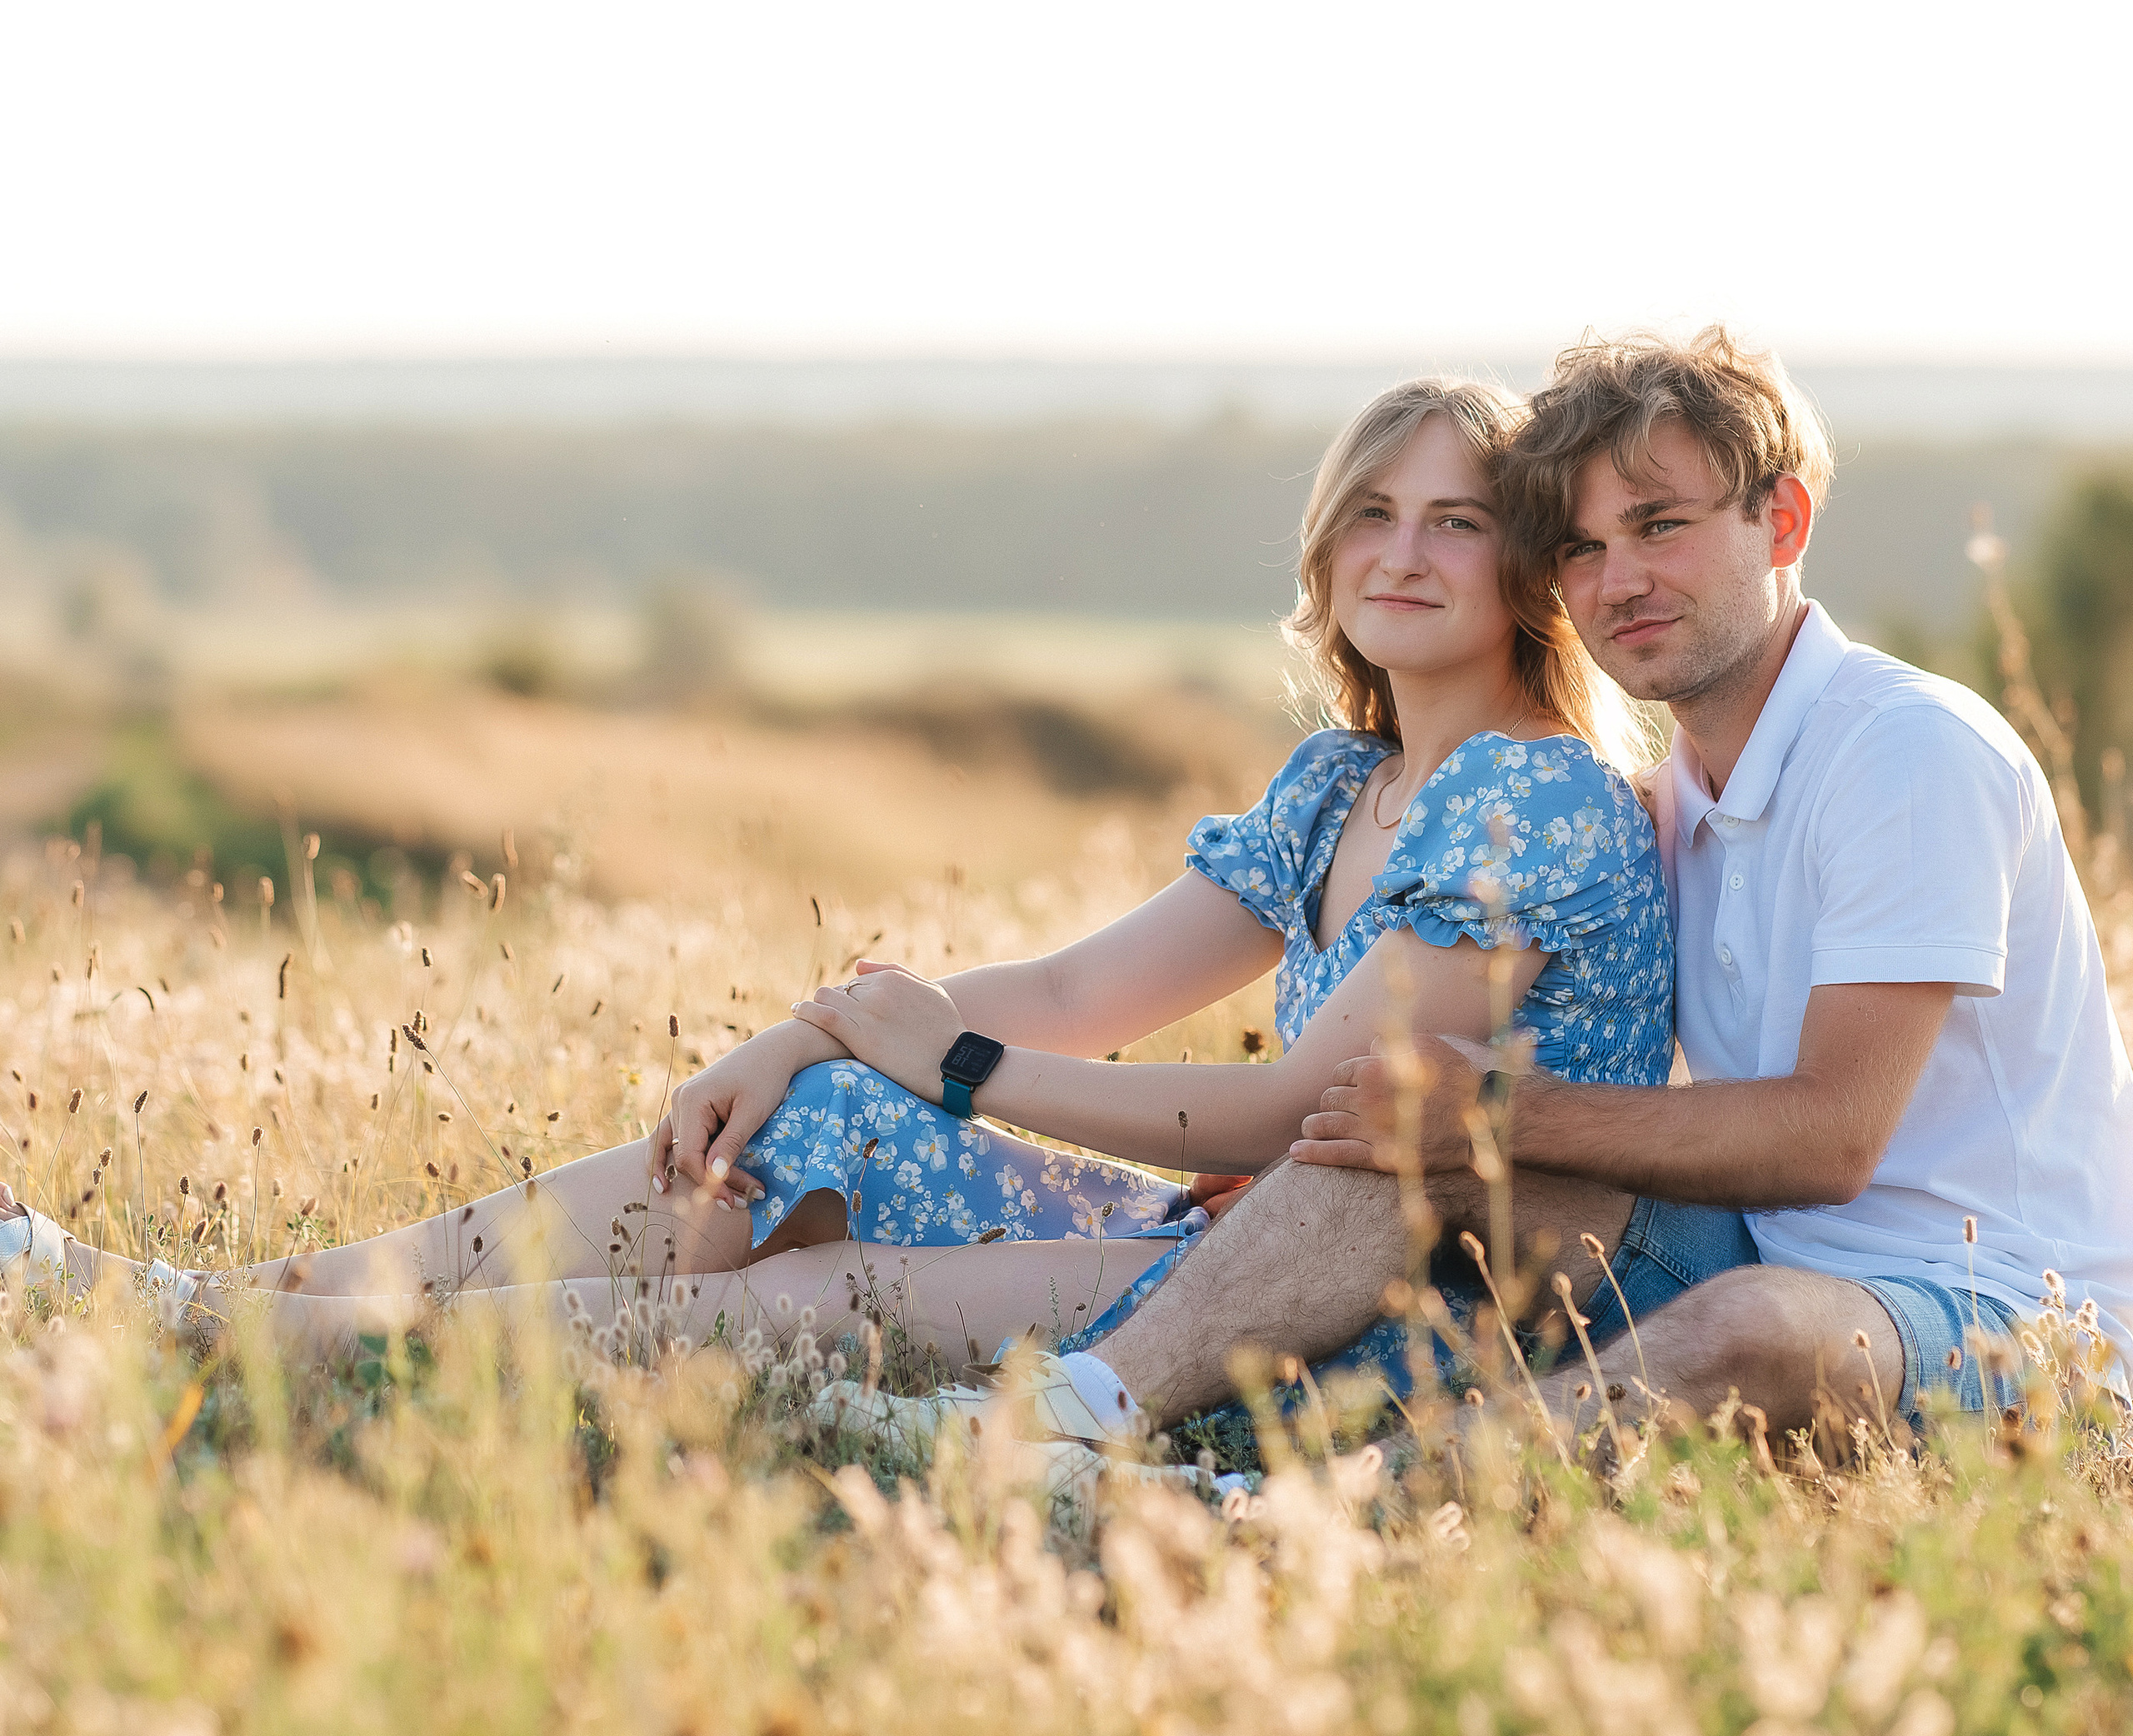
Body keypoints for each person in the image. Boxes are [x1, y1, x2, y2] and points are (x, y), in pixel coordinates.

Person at [0, 377, 1685, 1386]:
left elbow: (1288, 1117)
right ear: (1323, 545)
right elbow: (1076, 990)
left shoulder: (1531, 797)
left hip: (1384, 1304)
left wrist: (954, 1066)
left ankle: (259, 1354)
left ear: (1530, 566)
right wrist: (809, 1038)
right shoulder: (1343, 783)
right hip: (1227, 1230)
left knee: (812, 1291)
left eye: (1456, 521)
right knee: (801, 1132)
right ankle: (200, 1301)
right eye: (1370, 511)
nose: (1401, 550)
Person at [977, 327, 2133, 1459]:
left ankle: (1326, 1514)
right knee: (1403, 1146)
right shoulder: (1670, 800)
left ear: (1782, 521)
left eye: (1660, 525)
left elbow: (1831, 1139)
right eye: (1582, 548)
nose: (1619, 581)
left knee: (1752, 1327)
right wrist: (1319, 1173)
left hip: (2008, 1316)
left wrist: (1492, 1112)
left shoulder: (1907, 752)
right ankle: (1054, 1426)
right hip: (1745, 1250)